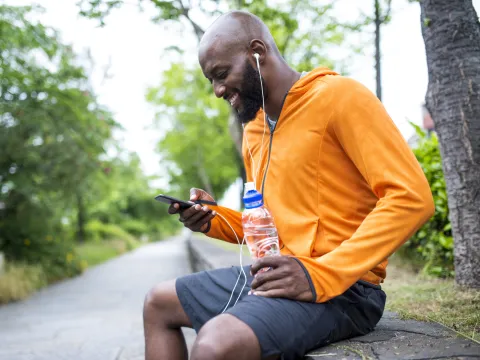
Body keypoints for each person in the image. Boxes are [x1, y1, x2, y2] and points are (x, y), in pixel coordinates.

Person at [143, 10, 435, 360]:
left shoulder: (340, 97)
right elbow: (268, 222)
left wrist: (322, 274)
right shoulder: (253, 129)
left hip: (347, 289)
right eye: (211, 81)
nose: (218, 90)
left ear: (257, 51)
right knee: (158, 303)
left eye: (222, 74)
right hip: (281, 274)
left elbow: (411, 198)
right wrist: (213, 219)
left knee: (216, 343)